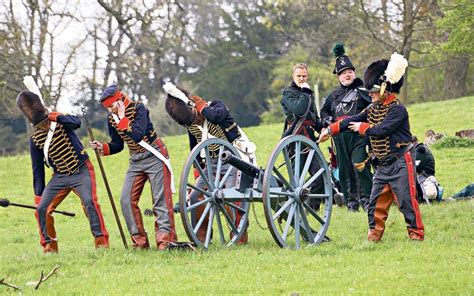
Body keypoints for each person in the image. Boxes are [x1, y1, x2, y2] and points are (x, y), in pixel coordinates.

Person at [319, 53, 425, 241]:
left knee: (407, 201)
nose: (370, 94)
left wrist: (363, 128)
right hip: (383, 165)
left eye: (374, 90)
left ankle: (416, 234)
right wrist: (331, 129)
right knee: (375, 203)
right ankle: (374, 235)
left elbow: (382, 130)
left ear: (384, 89)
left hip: (401, 161)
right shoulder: (372, 108)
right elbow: (353, 119)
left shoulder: (398, 109)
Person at [17, 90, 109, 253]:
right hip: (59, 176)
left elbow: (77, 122)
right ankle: (50, 247)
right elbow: (37, 170)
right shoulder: (35, 140)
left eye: (46, 121)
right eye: (41, 124)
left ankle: (101, 242)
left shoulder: (60, 120)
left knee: (89, 202)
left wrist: (54, 116)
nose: (45, 126)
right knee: (42, 210)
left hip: (81, 170)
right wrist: (38, 196)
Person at [90, 85, 177, 250]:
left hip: (154, 155)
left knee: (160, 200)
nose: (110, 111)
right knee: (126, 200)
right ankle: (139, 243)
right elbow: (118, 144)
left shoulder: (139, 109)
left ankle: (165, 241)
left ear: (120, 100)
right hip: (136, 160)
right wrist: (103, 148)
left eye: (112, 106)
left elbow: (137, 135)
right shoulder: (111, 118)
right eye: (107, 108)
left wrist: (122, 117)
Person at [164, 83, 252, 244]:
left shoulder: (216, 106)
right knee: (195, 196)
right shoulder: (190, 124)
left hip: (235, 159)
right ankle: (201, 236)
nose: (193, 122)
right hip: (211, 163)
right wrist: (199, 171)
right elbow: (195, 149)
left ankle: (239, 235)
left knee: (231, 195)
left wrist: (201, 108)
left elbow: (216, 116)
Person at [320, 43, 373, 211]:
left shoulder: (363, 89)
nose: (347, 75)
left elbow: (374, 107)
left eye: (349, 71)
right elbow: (324, 112)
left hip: (358, 135)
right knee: (344, 171)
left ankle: (366, 200)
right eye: (343, 73)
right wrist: (328, 122)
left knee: (360, 165)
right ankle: (351, 203)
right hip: (339, 138)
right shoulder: (334, 94)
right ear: (338, 76)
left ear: (354, 72)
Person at [281, 63, 324, 210]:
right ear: (293, 76)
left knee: (320, 176)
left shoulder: (307, 92)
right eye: (298, 76)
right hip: (295, 139)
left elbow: (314, 119)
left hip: (310, 140)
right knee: (296, 182)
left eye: (304, 76)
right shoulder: (287, 93)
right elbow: (299, 110)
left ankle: (311, 209)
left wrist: (326, 128)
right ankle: (293, 207)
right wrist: (305, 92)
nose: (301, 78)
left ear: (307, 76)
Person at [412, 136, 442, 203]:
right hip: (427, 176)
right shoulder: (423, 148)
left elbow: (414, 168)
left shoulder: (420, 151)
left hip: (425, 177)